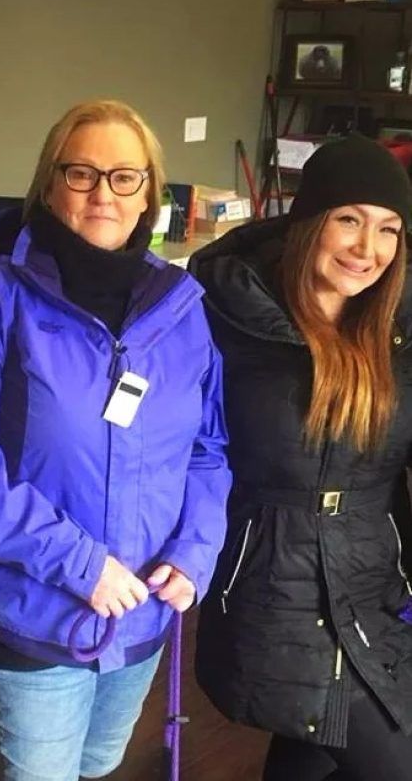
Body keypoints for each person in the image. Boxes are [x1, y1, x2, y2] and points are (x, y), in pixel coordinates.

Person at [0, 99, 231, 781]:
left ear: (148, 194)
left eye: (125, 176)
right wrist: (82, 566)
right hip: (37, 616)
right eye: (82, 173)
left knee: (99, 763)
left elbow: (207, 448)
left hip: (144, 614)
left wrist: (195, 551)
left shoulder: (180, 306)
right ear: (50, 183)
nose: (103, 193)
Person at [191, 134, 412, 780]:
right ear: (308, 221)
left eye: (388, 229)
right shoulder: (227, 313)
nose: (367, 249)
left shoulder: (398, 327)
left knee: (317, 741)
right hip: (271, 582)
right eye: (349, 220)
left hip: (373, 583)